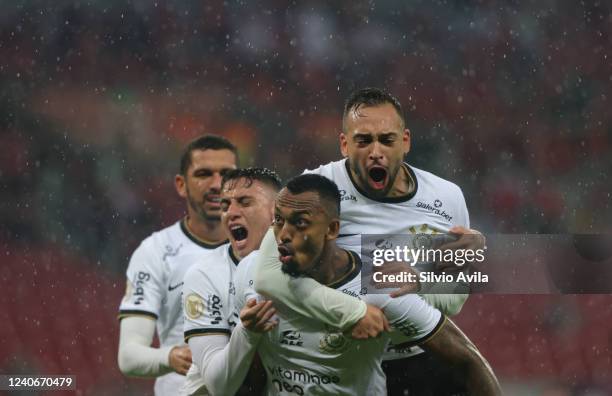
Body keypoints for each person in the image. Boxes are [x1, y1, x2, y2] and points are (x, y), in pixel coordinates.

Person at [254, 87, 486, 394]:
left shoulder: (447, 196)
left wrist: (420, 282)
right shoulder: (314, 191)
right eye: (363, 140)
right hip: (341, 363)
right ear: (344, 144)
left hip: (419, 357)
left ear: (405, 142)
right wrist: (356, 311)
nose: (376, 151)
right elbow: (268, 277)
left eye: (386, 140)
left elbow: (457, 294)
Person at [235, 174, 501, 395]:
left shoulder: (380, 286)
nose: (283, 234)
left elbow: (467, 360)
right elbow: (243, 378)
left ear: (332, 230)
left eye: (300, 223)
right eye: (278, 222)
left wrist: (429, 278)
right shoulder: (254, 278)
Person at [180, 168, 389, 395]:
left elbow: (425, 273)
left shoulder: (335, 254)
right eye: (225, 206)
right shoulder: (206, 274)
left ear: (276, 211)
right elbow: (219, 385)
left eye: (244, 202)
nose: (231, 213)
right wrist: (248, 331)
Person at [117, 135, 237, 395]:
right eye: (204, 174)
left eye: (227, 174)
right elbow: (128, 355)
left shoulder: (263, 248)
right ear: (181, 185)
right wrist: (170, 357)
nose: (217, 184)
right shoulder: (155, 252)